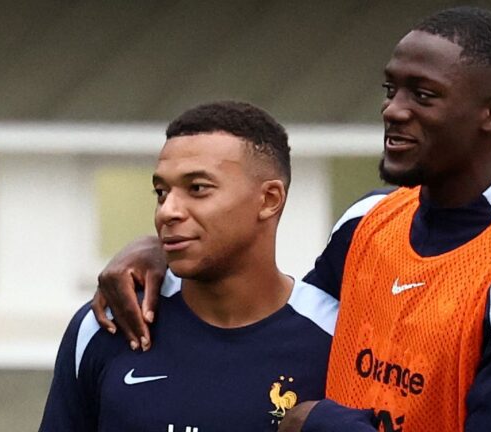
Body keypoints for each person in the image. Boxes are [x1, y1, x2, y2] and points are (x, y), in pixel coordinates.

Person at [93, 7, 491, 431]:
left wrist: (323, 425)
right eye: (391, 90)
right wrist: (168, 249)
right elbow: (281, 327)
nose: (393, 110)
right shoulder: (369, 221)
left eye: (423, 95)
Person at [40, 101, 338, 431]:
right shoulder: (108, 324)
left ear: (269, 199)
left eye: (197, 188)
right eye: (161, 192)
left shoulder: (337, 337)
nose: (167, 211)